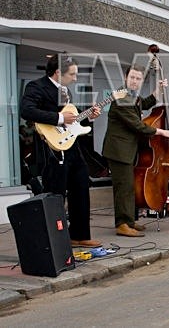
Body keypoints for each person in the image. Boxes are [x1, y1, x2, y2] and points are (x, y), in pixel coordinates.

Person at [19, 56, 103, 247]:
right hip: (51, 148)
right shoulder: (36, 86)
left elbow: (71, 119)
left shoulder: (66, 93)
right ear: (58, 72)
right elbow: (27, 111)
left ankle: (79, 235)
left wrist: (88, 116)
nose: (75, 78)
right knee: (55, 193)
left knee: (81, 186)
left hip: (72, 147)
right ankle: (53, 239)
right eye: (72, 74)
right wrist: (58, 118)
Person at [103, 64, 169, 237]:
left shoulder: (132, 96)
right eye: (132, 78)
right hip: (118, 150)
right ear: (125, 78)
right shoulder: (121, 96)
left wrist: (158, 91)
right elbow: (136, 125)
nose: (135, 81)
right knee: (123, 188)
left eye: (138, 78)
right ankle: (122, 224)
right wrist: (162, 131)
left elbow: (143, 104)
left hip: (127, 150)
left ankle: (129, 221)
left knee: (128, 187)